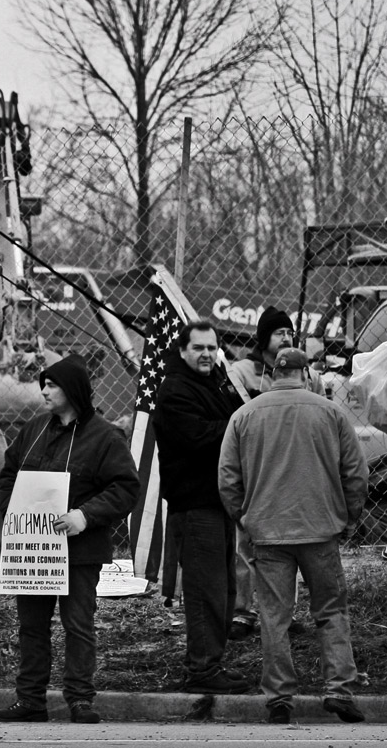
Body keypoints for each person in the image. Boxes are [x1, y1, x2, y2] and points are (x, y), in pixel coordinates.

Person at [219, 347, 368, 724]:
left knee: (273, 615)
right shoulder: (331, 413)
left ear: (272, 374)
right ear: (305, 374)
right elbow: (356, 473)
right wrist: (348, 515)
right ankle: (338, 690)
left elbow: (227, 479)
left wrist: (245, 519)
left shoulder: (244, 415)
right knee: (331, 610)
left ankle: (279, 697)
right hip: (321, 529)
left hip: (268, 533)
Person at [0, 354, 140, 724]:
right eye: (43, 383)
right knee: (32, 627)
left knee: (78, 626)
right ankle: (30, 701)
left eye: (52, 384)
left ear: (72, 390)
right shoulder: (35, 428)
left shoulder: (106, 436)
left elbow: (125, 487)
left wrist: (84, 516)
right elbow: (8, 474)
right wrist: (16, 507)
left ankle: (80, 700)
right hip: (34, 551)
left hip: (80, 551)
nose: (43, 390)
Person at [153, 320, 249, 694]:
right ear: (182, 351)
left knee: (224, 590)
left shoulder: (212, 383)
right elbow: (200, 437)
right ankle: (202, 670)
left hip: (218, 503)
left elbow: (232, 417)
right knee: (206, 590)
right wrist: (241, 423)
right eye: (199, 348)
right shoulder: (175, 391)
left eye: (212, 347)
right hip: (195, 507)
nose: (207, 354)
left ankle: (212, 663)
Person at [227, 306, 325, 640]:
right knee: (246, 543)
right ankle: (243, 611)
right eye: (279, 332)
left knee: (288, 546)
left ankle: (283, 612)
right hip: (256, 469)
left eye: (289, 333)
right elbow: (236, 418)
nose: (286, 337)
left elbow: (323, 413)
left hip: (295, 469)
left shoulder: (308, 376)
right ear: (263, 337)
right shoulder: (242, 372)